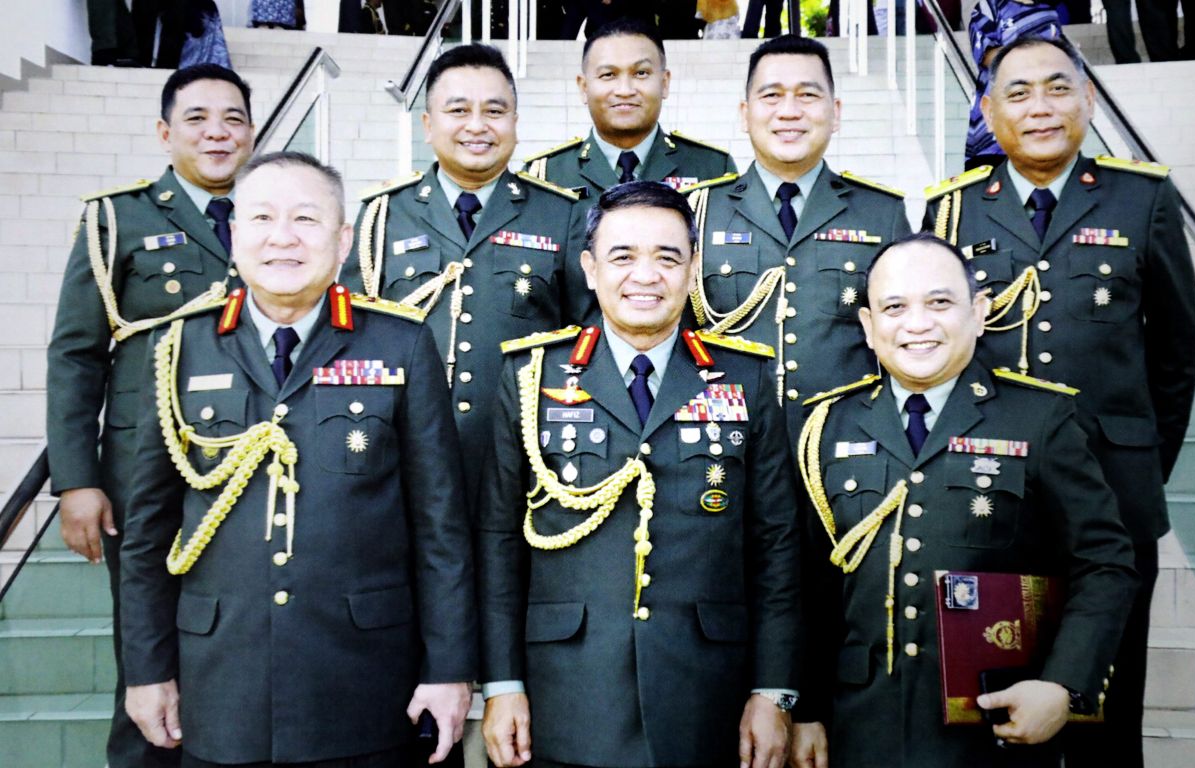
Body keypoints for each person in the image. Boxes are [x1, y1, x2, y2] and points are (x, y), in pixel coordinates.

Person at [120, 151, 477, 767]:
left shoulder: (401, 343)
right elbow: (147, 535)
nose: (282, 237)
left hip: (365, 684)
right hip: (221, 684)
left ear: (343, 241)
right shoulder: (178, 347)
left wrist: (449, 669)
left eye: (306, 219)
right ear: (235, 235)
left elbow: (439, 527)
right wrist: (146, 671)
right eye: (262, 218)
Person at [923, 35, 1195, 766]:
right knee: (994, 711)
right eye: (1017, 93)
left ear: (1088, 98)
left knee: (1107, 716)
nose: (1040, 107)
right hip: (991, 500)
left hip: (1114, 496)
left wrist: (1140, 466)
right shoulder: (953, 211)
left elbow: (1176, 358)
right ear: (989, 112)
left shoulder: (1141, 198)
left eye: (1057, 87)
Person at [478, 181, 801, 768]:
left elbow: (776, 546)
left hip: (707, 698)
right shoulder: (530, 375)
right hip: (567, 694)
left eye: (668, 258)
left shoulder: (746, 378)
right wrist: (502, 684)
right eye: (623, 256)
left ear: (693, 269)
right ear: (590, 269)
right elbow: (499, 541)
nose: (645, 276)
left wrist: (773, 690)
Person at [792, 232, 1138, 767]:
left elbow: (1105, 563)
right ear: (868, 326)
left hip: (996, 728)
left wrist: (1063, 685)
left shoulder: (1039, 419)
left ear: (978, 312)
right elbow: (810, 585)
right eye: (894, 307)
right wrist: (806, 709)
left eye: (939, 302)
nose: (917, 324)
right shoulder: (825, 427)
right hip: (860, 728)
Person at [46, 63, 255, 768]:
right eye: (197, 119)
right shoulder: (119, 218)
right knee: (147, 647)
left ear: (252, 132)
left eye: (232, 119)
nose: (217, 133)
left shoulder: (276, 213)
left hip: (250, 462)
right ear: (165, 133)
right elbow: (76, 354)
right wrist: (76, 481)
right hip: (145, 467)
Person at [340, 43, 590, 506]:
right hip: (406, 461)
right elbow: (352, 341)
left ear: (515, 122)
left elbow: (586, 341)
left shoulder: (561, 214)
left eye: (494, 111)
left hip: (524, 461)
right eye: (458, 110)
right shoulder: (383, 215)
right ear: (428, 124)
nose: (477, 126)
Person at [687, 34, 911, 438]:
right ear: (745, 113)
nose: (789, 111)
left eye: (807, 95)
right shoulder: (700, 210)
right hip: (728, 444)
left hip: (846, 443)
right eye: (771, 95)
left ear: (835, 112)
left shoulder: (881, 213)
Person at [523, 18, 736, 199]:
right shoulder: (545, 176)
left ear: (664, 83)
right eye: (608, 75)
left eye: (641, 73)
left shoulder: (713, 169)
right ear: (584, 87)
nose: (625, 90)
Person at [964, 0, 1061, 169]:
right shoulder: (989, 8)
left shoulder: (1048, 13)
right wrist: (1033, 56)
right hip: (991, 137)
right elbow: (987, 56)